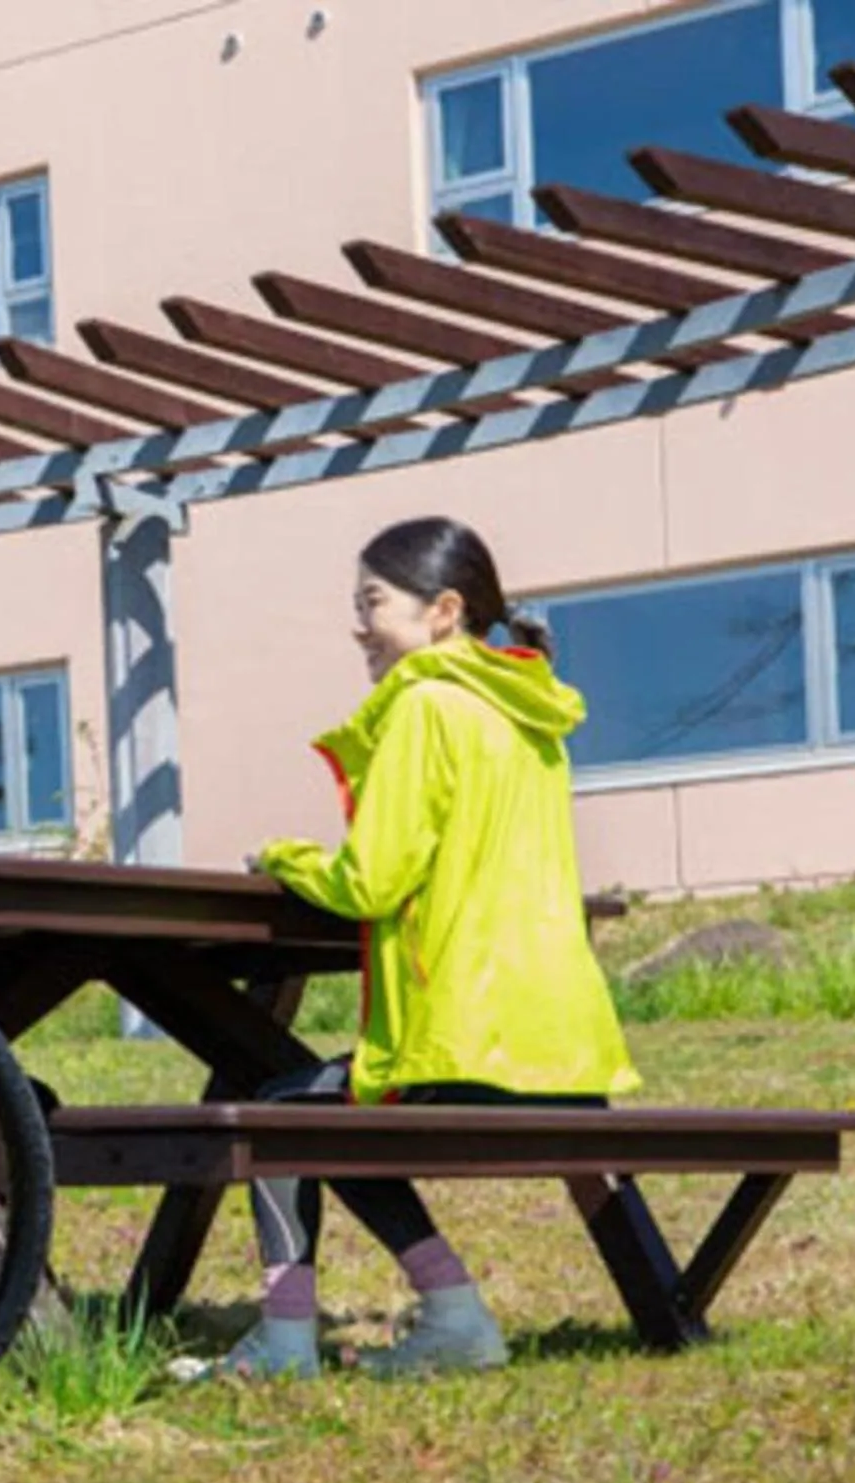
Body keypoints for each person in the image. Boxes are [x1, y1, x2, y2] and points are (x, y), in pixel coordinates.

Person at [218, 516, 641, 1381]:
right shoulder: (528, 714)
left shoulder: (425, 703)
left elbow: (370, 882)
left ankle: (292, 1344)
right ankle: (446, 1313)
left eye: (372, 601)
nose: (358, 624)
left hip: (471, 1039)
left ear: (443, 609)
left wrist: (284, 859)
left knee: (278, 1115)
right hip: (564, 1055)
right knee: (323, 1107)